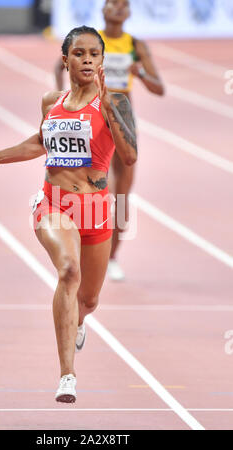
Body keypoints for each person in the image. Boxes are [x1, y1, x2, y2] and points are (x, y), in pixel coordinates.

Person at [0, 26, 137, 403]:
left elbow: (129, 157)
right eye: (79, 53)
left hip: (95, 209)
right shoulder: (51, 101)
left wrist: (111, 111)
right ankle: (67, 376)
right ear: (66, 60)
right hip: (54, 204)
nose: (88, 60)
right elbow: (38, 143)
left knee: (89, 300)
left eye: (95, 53)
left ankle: (76, 321)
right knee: (68, 271)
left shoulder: (117, 102)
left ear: (102, 60)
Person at [55, 0, 165, 281]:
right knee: (95, 190)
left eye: (123, 4)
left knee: (122, 197)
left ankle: (112, 257)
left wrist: (138, 72)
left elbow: (159, 88)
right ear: (102, 9)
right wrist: (64, 98)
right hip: (92, 122)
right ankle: (82, 248)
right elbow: (60, 65)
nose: (117, 8)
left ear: (129, 12)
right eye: (111, 3)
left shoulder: (135, 46)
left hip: (123, 121)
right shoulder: (93, 42)